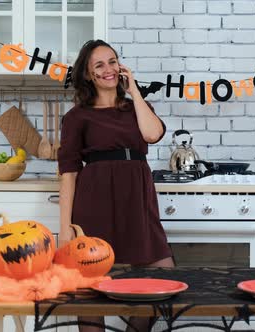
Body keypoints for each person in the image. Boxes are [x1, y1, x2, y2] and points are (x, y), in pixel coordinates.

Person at [57, 39, 175, 332]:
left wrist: (134, 89)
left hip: (137, 202)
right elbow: (68, 173)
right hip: (94, 203)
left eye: (112, 61)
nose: (108, 69)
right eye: (99, 64)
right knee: (88, 292)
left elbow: (152, 134)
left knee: (163, 279)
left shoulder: (136, 106)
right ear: (88, 74)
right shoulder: (76, 117)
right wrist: (64, 228)